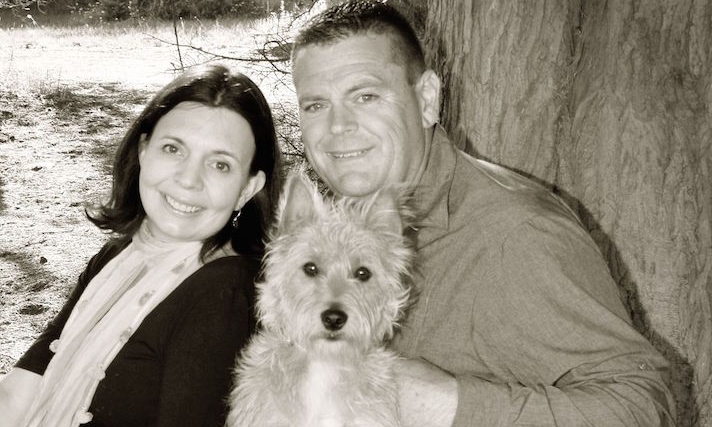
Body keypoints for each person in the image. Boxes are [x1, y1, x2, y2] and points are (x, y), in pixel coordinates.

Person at [288, 1, 674, 426]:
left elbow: (642, 407)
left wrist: (454, 405)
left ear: (428, 100)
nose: (338, 125)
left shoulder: (514, 234)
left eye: (365, 96)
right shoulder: (329, 237)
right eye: (316, 105)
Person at [0, 63, 285, 427]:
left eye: (220, 164)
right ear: (144, 150)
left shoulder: (224, 293)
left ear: (248, 188)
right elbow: (17, 396)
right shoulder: (121, 255)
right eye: (174, 149)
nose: (189, 179)